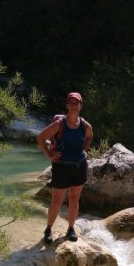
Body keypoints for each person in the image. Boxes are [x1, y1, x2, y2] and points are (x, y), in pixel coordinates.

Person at [37, 92, 93, 243]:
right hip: (61, 167)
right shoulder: (59, 124)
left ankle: (71, 228)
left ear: (80, 105)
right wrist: (49, 155)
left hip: (79, 166)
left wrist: (84, 149)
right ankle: (48, 229)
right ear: (67, 105)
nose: (74, 105)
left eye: (77, 102)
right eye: (71, 102)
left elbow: (89, 136)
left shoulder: (85, 125)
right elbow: (41, 137)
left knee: (74, 199)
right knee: (57, 200)